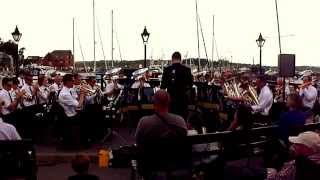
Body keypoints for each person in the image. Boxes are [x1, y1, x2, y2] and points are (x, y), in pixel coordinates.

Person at [135, 90, 190, 179]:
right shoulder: (180, 120)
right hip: (176, 165)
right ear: (169, 102)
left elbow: (138, 142)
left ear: (153, 102)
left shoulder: (144, 122)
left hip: (151, 166)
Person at [160, 51, 193, 118]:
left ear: (172, 59)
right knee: (182, 120)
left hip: (171, 100)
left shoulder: (167, 69)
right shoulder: (187, 69)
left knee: (171, 120)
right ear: (180, 59)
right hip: (183, 100)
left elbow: (163, 86)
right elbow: (190, 84)